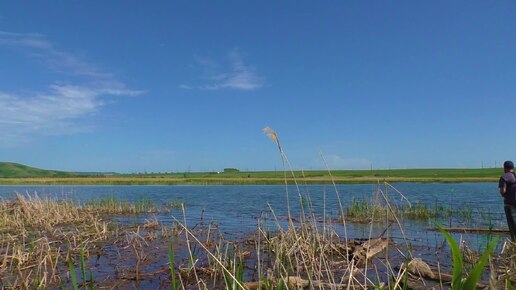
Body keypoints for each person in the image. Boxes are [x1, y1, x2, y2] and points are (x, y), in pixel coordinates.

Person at [499, 160, 516, 241]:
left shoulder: (504, 177)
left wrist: (501, 192)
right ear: (512, 167)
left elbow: (503, 192)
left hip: (509, 204)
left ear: (504, 168)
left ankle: (514, 243)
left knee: (512, 226)